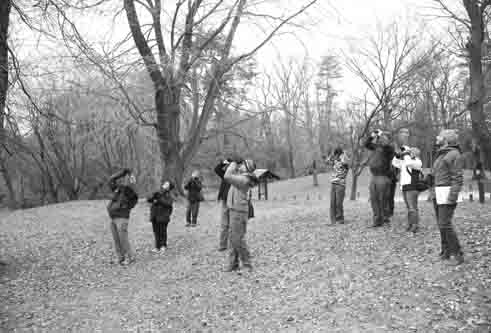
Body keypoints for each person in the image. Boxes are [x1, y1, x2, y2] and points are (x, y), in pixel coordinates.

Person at [430, 129, 464, 265]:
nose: (437, 138)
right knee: (441, 224)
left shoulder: (454, 154)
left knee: (445, 223)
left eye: (440, 136)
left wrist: (452, 196)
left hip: (447, 193)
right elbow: (437, 174)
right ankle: (446, 251)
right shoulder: (441, 154)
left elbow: (458, 178)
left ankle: (458, 254)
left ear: (446, 139)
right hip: (438, 193)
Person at [223, 158, 258, 272]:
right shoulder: (242, 176)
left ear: (246, 167)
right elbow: (224, 171)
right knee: (233, 237)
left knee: (238, 239)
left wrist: (233, 163)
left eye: (242, 164)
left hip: (238, 211)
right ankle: (233, 264)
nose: (240, 165)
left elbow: (227, 176)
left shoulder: (244, 179)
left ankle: (247, 264)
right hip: (235, 209)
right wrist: (231, 163)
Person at [107, 168, 139, 265]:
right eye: (125, 178)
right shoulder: (118, 188)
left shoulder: (130, 190)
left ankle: (130, 257)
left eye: (128, 178)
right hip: (113, 217)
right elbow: (111, 180)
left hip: (122, 218)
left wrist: (126, 208)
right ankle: (120, 258)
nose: (126, 179)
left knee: (123, 239)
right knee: (116, 239)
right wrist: (123, 172)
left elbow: (134, 200)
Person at [364, 130, 395, 227]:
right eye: (381, 137)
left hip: (383, 176)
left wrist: (381, 134)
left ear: (388, 139)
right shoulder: (376, 147)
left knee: (384, 199)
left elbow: (386, 144)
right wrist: (372, 136)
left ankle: (385, 220)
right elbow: (367, 144)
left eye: (384, 138)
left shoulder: (389, 149)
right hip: (374, 176)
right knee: (374, 200)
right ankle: (377, 221)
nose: (381, 139)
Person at [392, 147, 423, 233]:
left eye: (410, 152)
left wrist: (405, 154)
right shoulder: (406, 161)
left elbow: (409, 163)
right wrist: (397, 156)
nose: (408, 154)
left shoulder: (417, 162)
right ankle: (410, 224)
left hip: (412, 188)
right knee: (409, 208)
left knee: (413, 208)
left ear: (415, 154)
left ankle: (415, 226)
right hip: (405, 187)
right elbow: (395, 163)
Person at [388, 127, 411, 217]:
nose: (406, 135)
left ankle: (390, 211)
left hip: (402, 173)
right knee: (389, 194)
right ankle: (388, 212)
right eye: (404, 133)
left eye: (407, 134)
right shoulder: (393, 145)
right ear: (399, 134)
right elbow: (395, 155)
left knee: (395, 194)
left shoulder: (406, 146)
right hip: (390, 172)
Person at [147, 180, 175, 253]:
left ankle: (163, 246)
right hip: (155, 215)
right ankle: (157, 246)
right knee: (156, 231)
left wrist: (158, 199)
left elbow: (167, 203)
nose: (165, 184)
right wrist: (153, 196)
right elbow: (149, 199)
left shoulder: (169, 195)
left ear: (169, 187)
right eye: (165, 183)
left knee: (162, 231)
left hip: (163, 216)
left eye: (167, 184)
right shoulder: (158, 192)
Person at [215, 159, 232, 251]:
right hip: (225, 201)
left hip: (235, 202)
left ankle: (234, 244)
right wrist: (224, 162)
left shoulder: (238, 175)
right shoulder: (225, 175)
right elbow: (217, 169)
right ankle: (223, 245)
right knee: (224, 224)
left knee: (233, 224)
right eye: (229, 166)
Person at [330, 147, 349, 224]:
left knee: (338, 203)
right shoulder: (334, 161)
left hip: (340, 185)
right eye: (335, 155)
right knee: (333, 203)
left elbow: (346, 164)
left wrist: (343, 155)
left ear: (340, 155)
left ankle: (340, 219)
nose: (335, 156)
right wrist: (332, 155)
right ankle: (333, 219)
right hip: (333, 184)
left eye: (337, 155)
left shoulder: (344, 162)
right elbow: (327, 161)